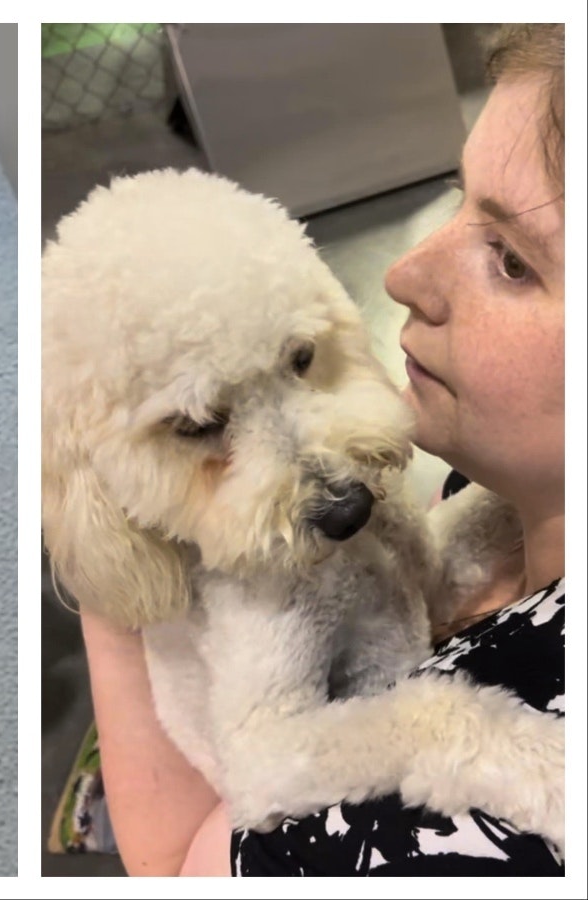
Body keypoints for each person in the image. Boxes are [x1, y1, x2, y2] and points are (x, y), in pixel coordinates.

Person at [78, 23, 566, 876]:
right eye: (459, 195)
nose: (400, 273)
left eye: (514, 261)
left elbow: (180, 860)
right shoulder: (513, 456)